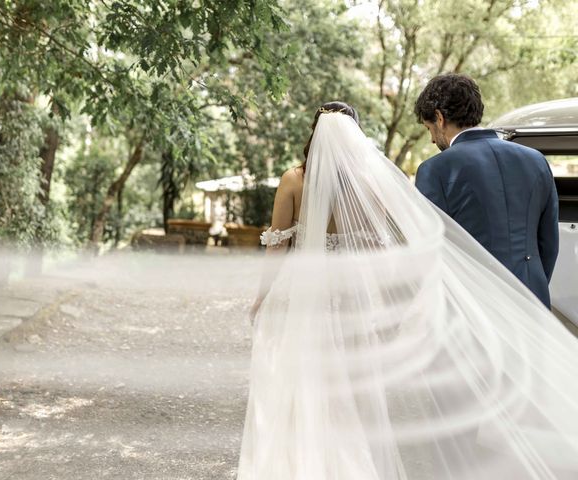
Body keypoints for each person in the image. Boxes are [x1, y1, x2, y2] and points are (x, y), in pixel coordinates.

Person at [237, 102, 578, 480]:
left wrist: (262, 296)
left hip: (302, 296)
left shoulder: (294, 180)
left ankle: (297, 462)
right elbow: (383, 254)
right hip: (354, 298)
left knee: (299, 383)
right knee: (355, 390)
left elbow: (276, 247)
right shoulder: (371, 185)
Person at [414, 73, 559, 307]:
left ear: (439, 118)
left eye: (429, 128)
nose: (432, 139)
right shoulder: (535, 160)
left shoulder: (435, 169)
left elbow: (430, 251)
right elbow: (549, 243)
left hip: (474, 304)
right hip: (532, 297)